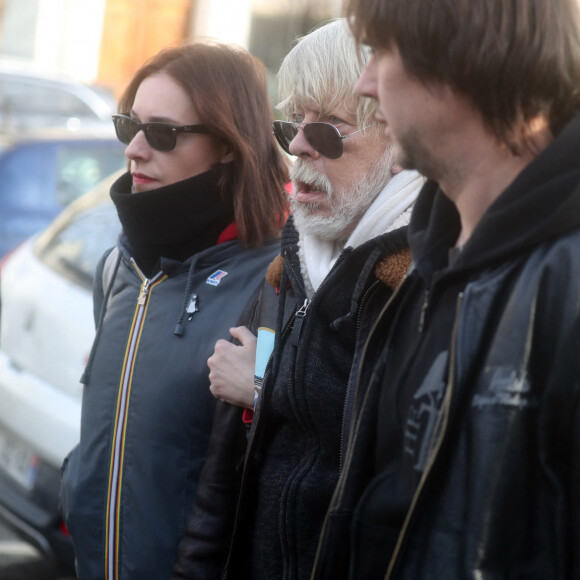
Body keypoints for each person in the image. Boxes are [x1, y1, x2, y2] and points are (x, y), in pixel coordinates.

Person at [309, 0, 580, 578]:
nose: (365, 83)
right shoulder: (428, 266)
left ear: (461, 60)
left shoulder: (568, 286)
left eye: (381, 52)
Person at [172, 19, 424, 580]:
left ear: (401, 136)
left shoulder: (425, 278)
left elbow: (415, 453)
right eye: (294, 124)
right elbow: (223, 482)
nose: (301, 146)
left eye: (331, 128)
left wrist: (266, 387)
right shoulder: (284, 273)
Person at [58, 41, 289, 580]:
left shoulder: (276, 282)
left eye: (162, 133)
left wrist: (262, 386)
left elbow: (287, 447)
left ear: (229, 145)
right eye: (128, 125)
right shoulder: (118, 268)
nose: (135, 149)